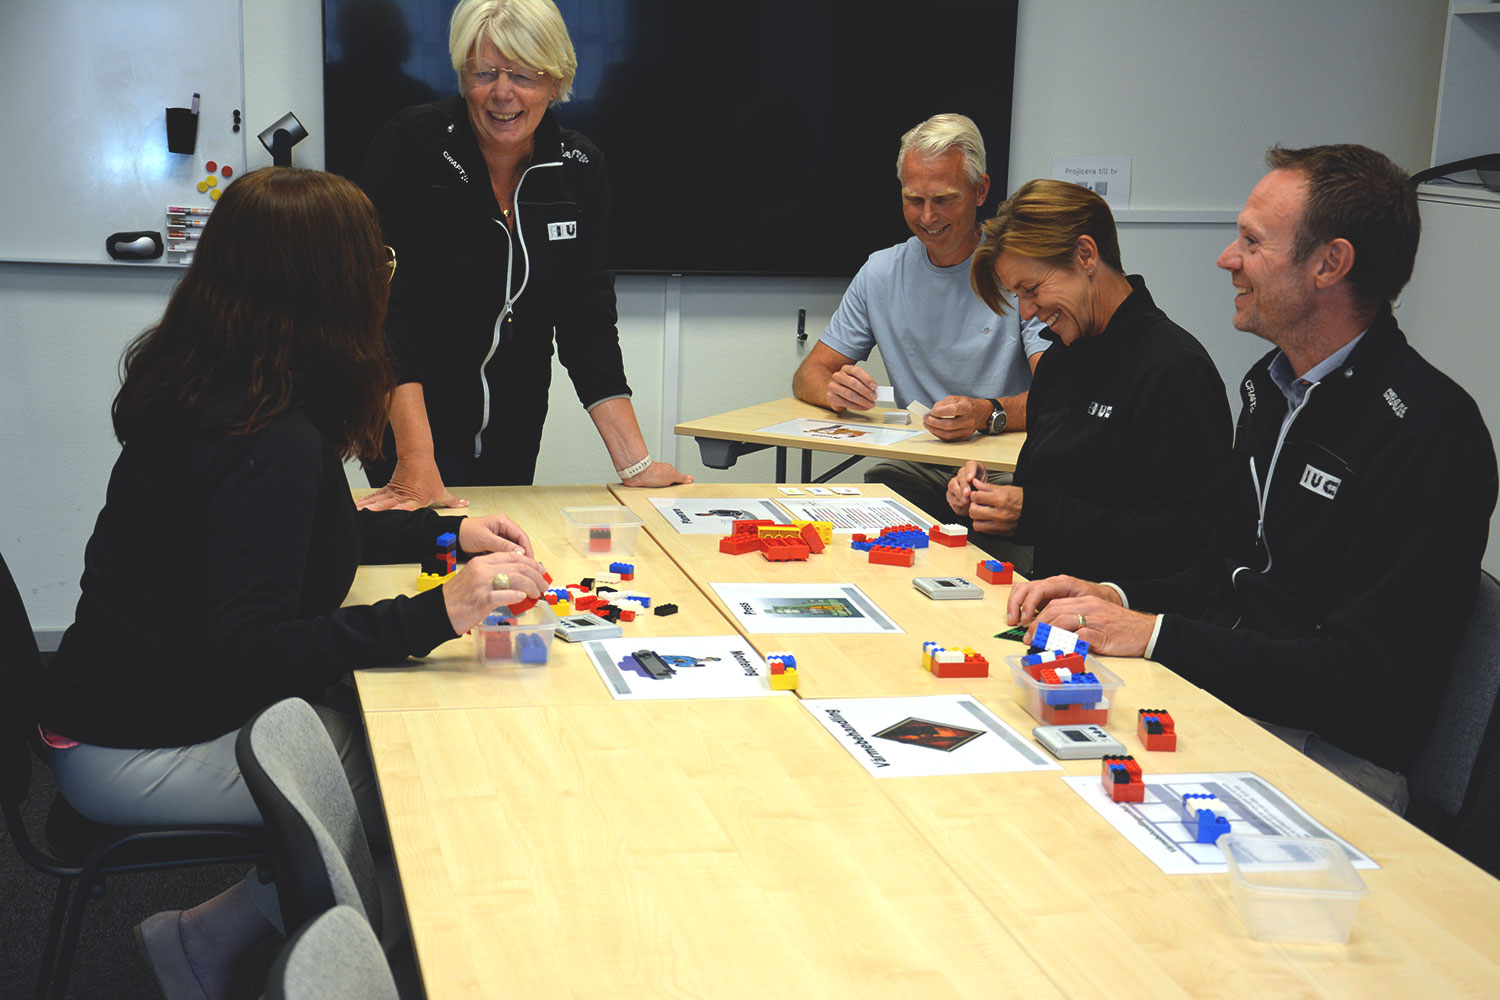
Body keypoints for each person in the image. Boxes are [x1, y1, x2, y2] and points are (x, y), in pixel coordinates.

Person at [38, 167, 549, 1000]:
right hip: (127, 750)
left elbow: (306, 533)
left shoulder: (230, 389)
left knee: (372, 728)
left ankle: (203, 940)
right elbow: (255, 653)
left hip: (110, 712)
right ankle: (373, 966)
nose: (384, 276)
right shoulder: (261, 436)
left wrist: (443, 530)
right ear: (327, 287)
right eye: (373, 261)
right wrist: (436, 613)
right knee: (406, 772)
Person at [1008, 145, 1498, 810]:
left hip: (1331, 759)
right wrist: (1113, 594)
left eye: (1252, 241)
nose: (1226, 259)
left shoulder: (1428, 433)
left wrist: (1156, 634)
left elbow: (1362, 678)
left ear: (1331, 264)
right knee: (1023, 750)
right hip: (1232, 703)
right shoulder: (1268, 393)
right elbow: (1221, 572)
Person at [357, 0, 690, 510]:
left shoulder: (579, 168)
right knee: (420, 565)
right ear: (463, 76)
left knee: (500, 562)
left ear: (555, 81)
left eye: (524, 74)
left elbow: (588, 320)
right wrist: (416, 461)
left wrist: (636, 464)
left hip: (516, 415)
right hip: (409, 416)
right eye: (484, 73)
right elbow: (387, 312)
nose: (502, 93)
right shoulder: (411, 145)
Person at [946, 179, 1232, 580]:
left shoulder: (1174, 370)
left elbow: (1188, 542)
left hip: (1129, 620)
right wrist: (991, 500)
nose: (1027, 312)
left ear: (1085, 255)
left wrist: (1037, 511)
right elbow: (1051, 498)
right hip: (1053, 607)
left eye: (1032, 290)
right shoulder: (1061, 358)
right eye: (1018, 296)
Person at [791, 113, 1050, 530]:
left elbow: (1061, 394)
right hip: (915, 466)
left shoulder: (1019, 269)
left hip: (1004, 468)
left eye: (944, 199)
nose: (928, 217)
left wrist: (987, 413)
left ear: (981, 190)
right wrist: (835, 390)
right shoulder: (881, 272)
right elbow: (809, 374)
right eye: (914, 199)